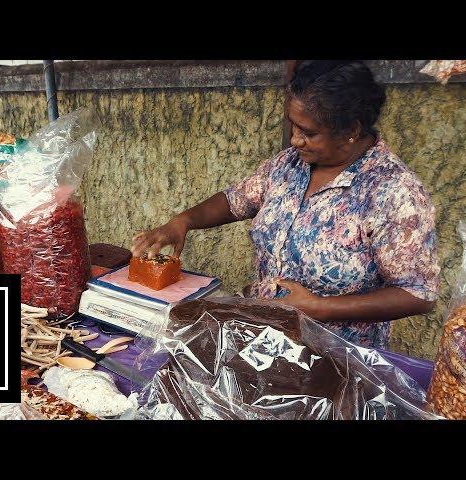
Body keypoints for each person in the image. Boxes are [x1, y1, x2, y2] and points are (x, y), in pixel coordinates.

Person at [131, 60, 440, 350]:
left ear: (351, 131)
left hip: (336, 358)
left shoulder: (393, 191)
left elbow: (417, 293)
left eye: (309, 133)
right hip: (261, 337)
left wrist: (320, 308)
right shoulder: (289, 165)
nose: (295, 140)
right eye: (293, 126)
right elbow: (236, 200)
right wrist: (183, 221)